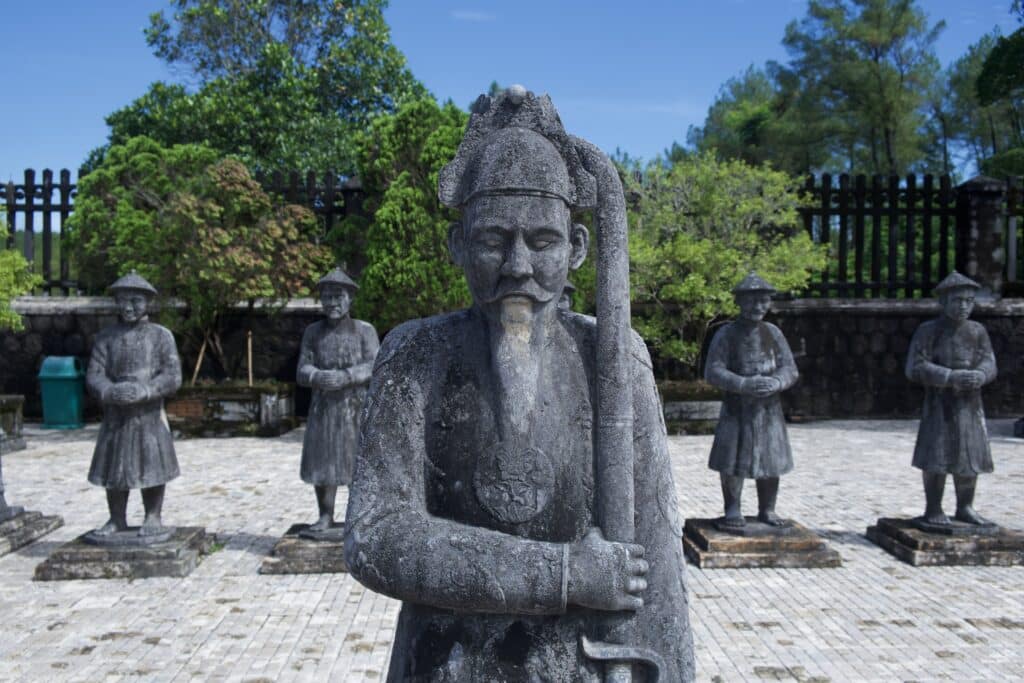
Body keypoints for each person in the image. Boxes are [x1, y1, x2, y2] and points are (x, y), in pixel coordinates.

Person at [344, 86, 694, 681]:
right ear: (458, 245)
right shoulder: (413, 356)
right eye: (492, 240)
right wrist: (562, 575)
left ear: (578, 247)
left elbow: (657, 564)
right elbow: (377, 538)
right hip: (444, 662)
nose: (518, 266)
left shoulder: (614, 359)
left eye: (543, 241)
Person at [86, 272, 182, 539]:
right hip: (116, 415)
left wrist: (146, 390)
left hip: (148, 414)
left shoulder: (161, 336)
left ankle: (153, 515)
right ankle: (116, 518)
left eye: (136, 301)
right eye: (123, 301)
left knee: (151, 464)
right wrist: (108, 390)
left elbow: (172, 375)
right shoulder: (106, 338)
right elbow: (94, 374)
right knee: (114, 467)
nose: (129, 307)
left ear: (148, 303)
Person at [704, 273, 799, 529]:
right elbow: (713, 370)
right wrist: (743, 384)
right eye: (751, 301)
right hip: (737, 409)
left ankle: (768, 509)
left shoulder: (774, 333)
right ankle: (732, 508)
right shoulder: (726, 334)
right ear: (739, 303)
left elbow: (790, 368)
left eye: (762, 301)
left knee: (771, 459)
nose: (757, 307)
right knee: (733, 461)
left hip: (769, 410)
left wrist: (777, 382)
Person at [906, 271, 997, 529]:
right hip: (939, 403)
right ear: (943, 302)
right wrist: (949, 377)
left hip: (970, 404)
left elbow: (989, 361)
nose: (963, 306)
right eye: (957, 301)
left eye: (969, 301)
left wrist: (980, 374)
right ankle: (933, 507)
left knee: (970, 456)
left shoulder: (977, 331)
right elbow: (915, 366)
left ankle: (965, 506)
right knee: (937, 454)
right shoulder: (928, 331)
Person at [296, 268, 379, 534]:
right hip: (322, 409)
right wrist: (318, 376)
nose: (332, 303)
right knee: (323, 464)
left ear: (350, 299)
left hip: (355, 408)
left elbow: (375, 364)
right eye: (327, 297)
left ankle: (359, 516)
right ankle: (325, 516)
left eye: (338, 296)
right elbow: (302, 369)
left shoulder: (364, 331)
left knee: (357, 464)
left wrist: (347, 376)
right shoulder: (313, 332)